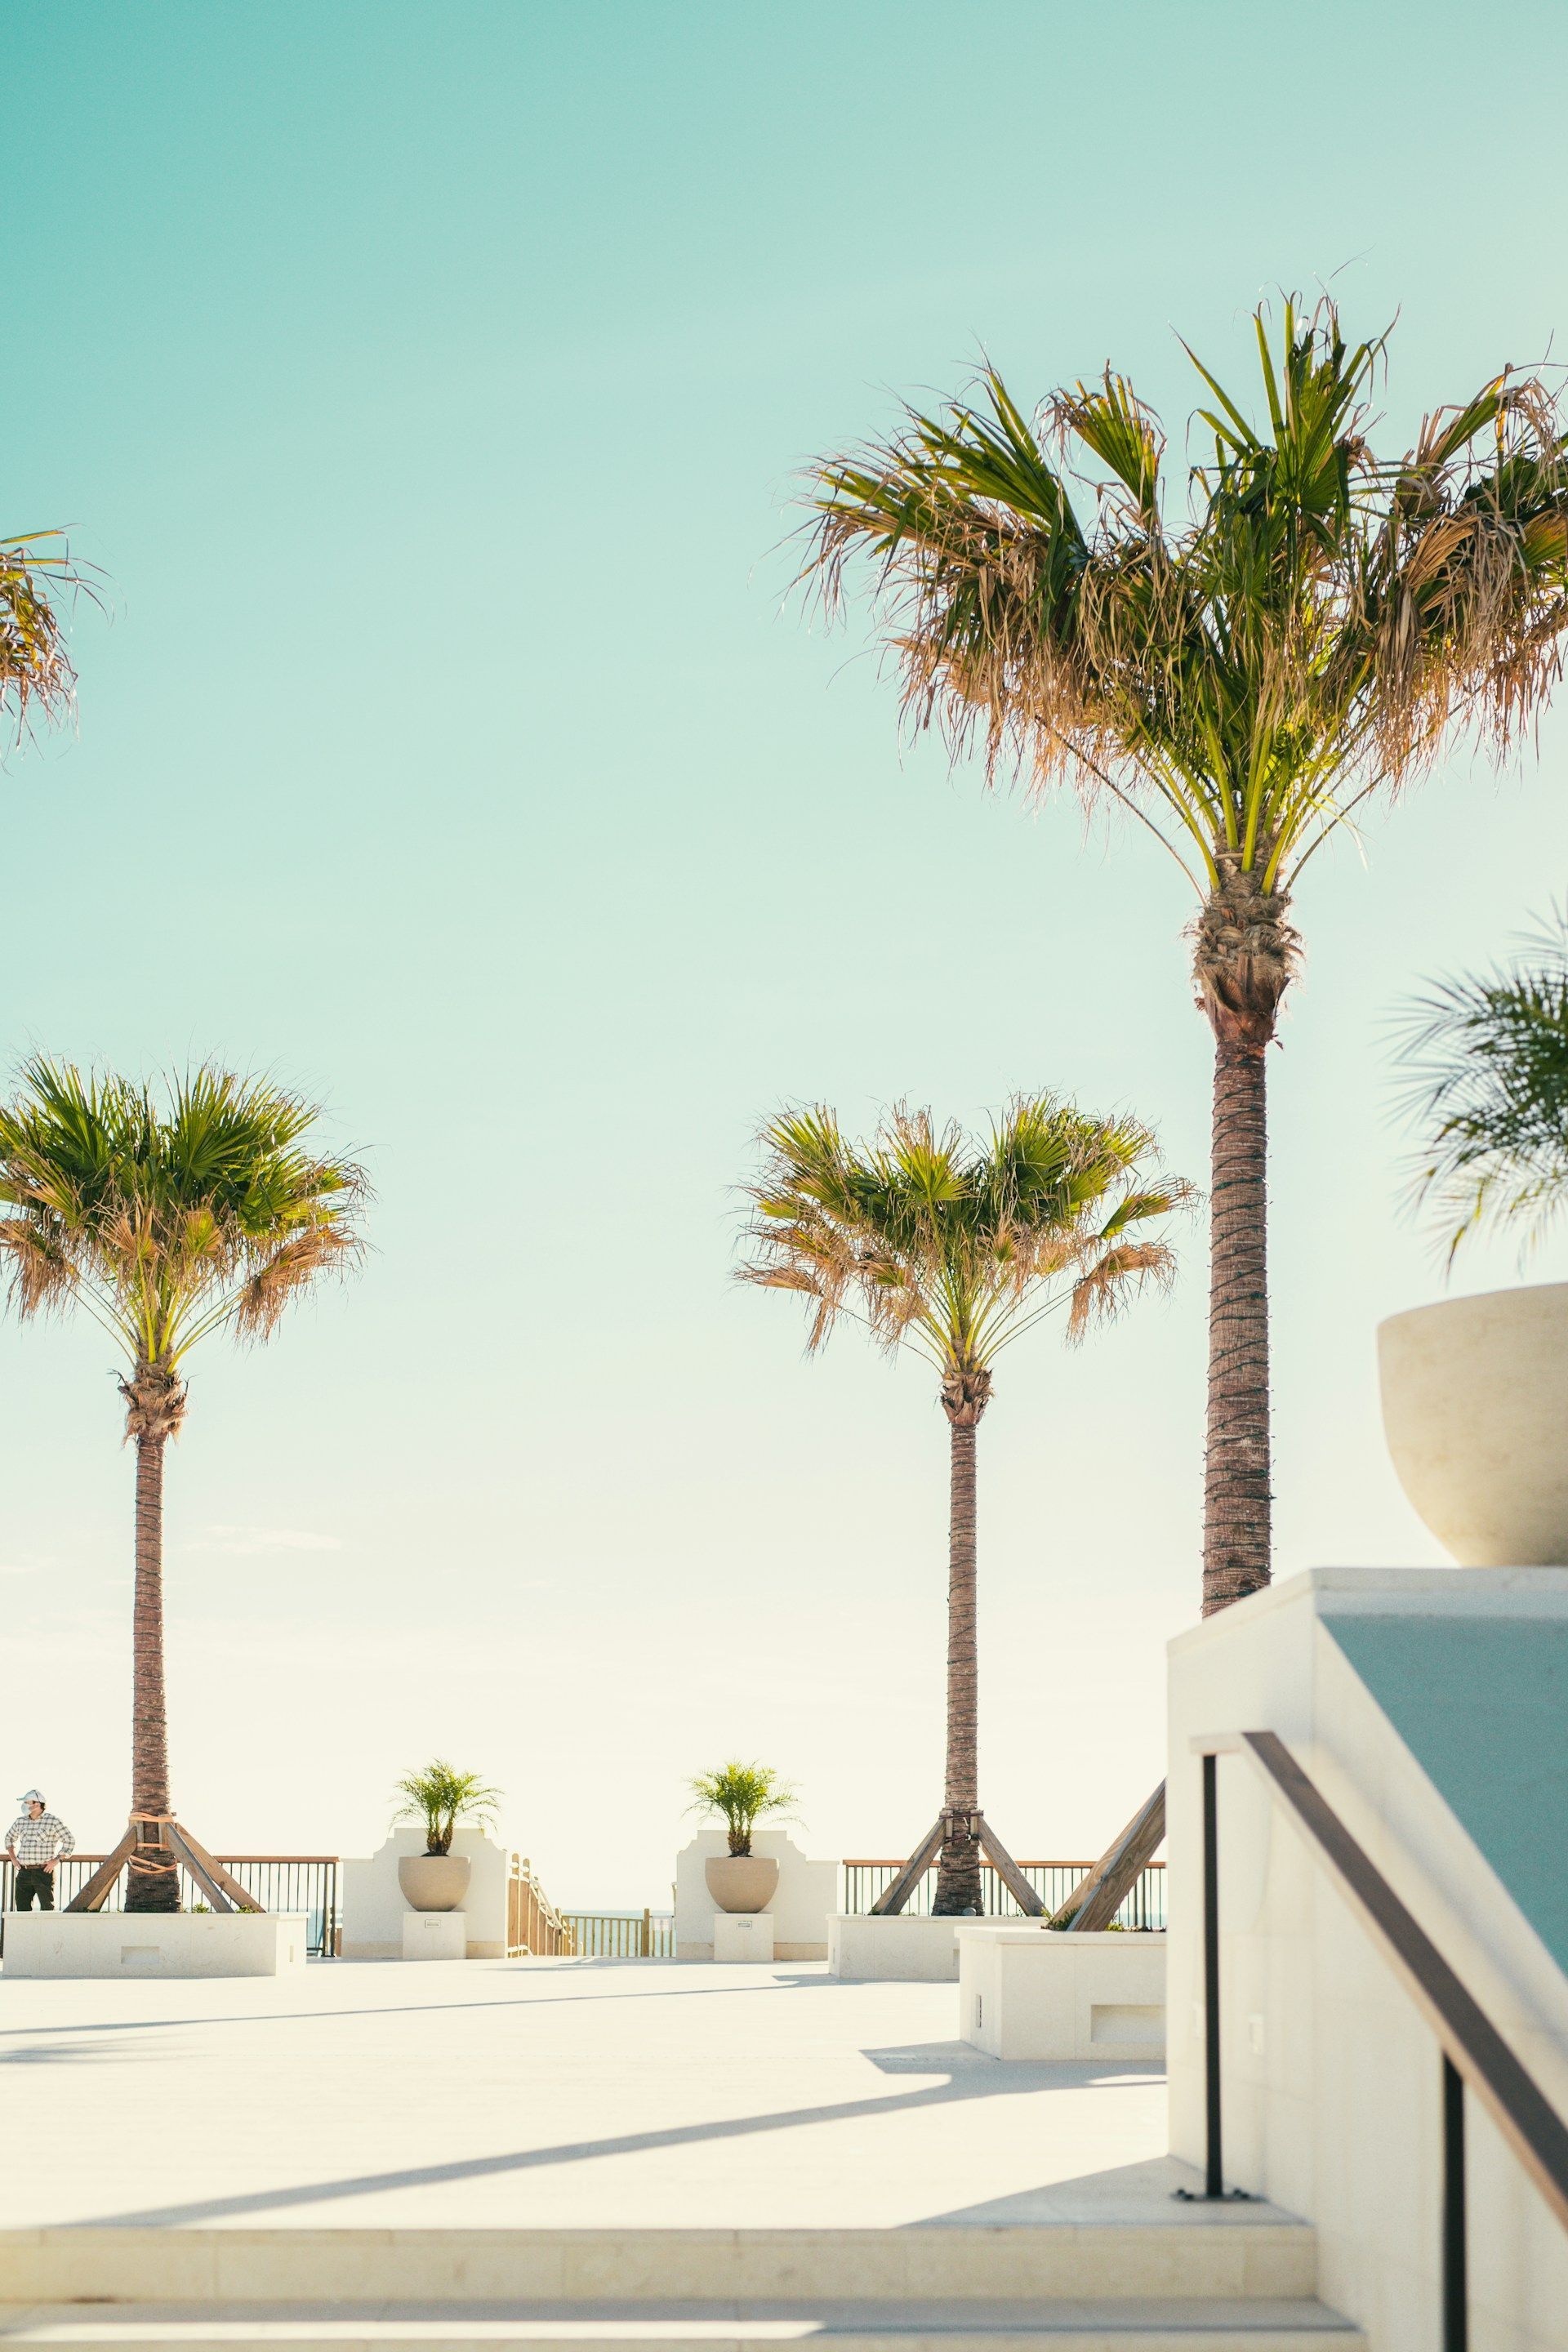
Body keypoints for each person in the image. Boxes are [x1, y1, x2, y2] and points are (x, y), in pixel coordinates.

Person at [5, 1790, 76, 1909]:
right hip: (23, 1872)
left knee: (47, 1909)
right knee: (22, 1910)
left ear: (37, 1804)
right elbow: (9, 1838)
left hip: (44, 1872)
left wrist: (57, 1860)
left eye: (27, 1802)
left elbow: (69, 1840)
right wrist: (13, 1859)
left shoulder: (52, 1821)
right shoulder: (20, 1821)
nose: (24, 1805)